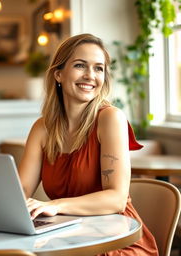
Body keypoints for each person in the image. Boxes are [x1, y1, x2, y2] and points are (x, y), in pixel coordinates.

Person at [18, 33, 159, 255]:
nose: (90, 76)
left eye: (98, 68)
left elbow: (117, 199)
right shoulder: (42, 129)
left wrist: (55, 205)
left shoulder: (110, 118)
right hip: (67, 237)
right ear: (58, 74)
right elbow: (20, 192)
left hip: (116, 241)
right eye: (80, 65)